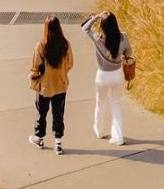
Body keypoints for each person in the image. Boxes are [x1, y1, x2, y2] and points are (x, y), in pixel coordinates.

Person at [81, 11, 133, 146]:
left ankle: (99, 130)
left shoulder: (98, 38)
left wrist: (96, 17)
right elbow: (129, 53)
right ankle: (118, 136)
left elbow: (85, 28)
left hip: (103, 75)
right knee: (115, 104)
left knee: (100, 103)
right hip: (117, 74)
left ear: (103, 26)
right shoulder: (123, 37)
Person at [29, 14, 73, 154]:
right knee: (58, 114)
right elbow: (70, 63)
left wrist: (34, 75)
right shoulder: (65, 44)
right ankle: (58, 143)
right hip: (61, 84)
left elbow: (35, 66)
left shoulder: (41, 45)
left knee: (42, 112)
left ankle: (39, 137)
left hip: (45, 86)